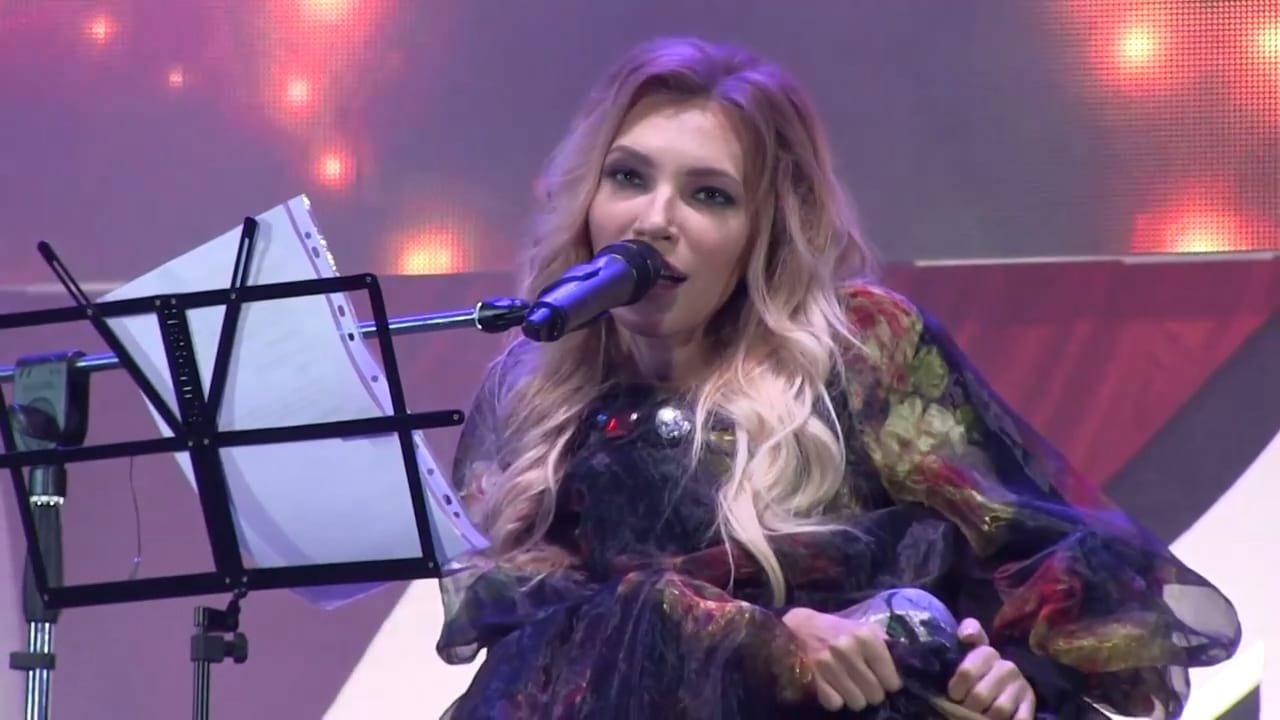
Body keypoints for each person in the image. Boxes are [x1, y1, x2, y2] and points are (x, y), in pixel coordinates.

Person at [435, 37, 1239, 719]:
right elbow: (526, 653)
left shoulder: (859, 349)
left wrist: (1014, 670)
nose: (654, 220)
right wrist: (764, 641)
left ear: (766, 229)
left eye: (708, 195)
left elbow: (1044, 548)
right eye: (628, 177)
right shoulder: (533, 393)